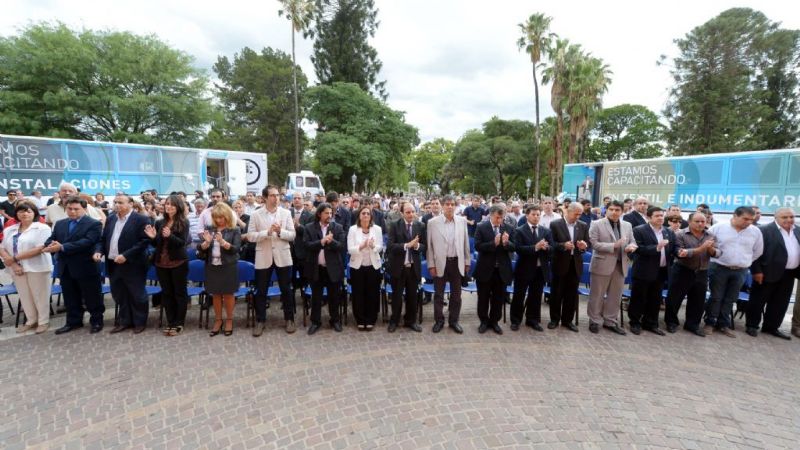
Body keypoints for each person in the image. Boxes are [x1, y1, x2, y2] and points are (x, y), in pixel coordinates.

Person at [43, 196, 105, 334]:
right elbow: (51, 239)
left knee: (92, 297)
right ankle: (74, 322)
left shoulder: (94, 224)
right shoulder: (60, 223)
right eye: (69, 209)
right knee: (70, 297)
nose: (72, 212)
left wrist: (62, 247)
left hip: (85, 266)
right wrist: (50, 245)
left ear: (84, 208)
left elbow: (88, 241)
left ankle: (96, 321)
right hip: (65, 267)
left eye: (76, 209)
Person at [95, 194, 151, 334]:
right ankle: (125, 321)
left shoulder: (141, 219)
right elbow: (103, 239)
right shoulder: (112, 218)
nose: (117, 205)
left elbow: (144, 242)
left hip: (133, 264)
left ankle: (139, 322)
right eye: (115, 202)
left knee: (137, 294)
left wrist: (126, 255)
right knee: (120, 294)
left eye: (120, 202)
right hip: (113, 263)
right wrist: (99, 251)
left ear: (131, 204)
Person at [705, 206, 763, 337]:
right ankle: (710, 323)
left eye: (751, 220)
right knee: (716, 297)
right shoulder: (718, 228)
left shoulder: (755, 232)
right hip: (719, 268)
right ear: (735, 215)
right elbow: (708, 245)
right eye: (745, 219)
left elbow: (758, 251)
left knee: (730, 299)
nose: (748, 222)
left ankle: (723, 324)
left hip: (741, 271)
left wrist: (744, 261)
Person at [247, 185, 297, 336]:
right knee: (261, 291)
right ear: (265, 198)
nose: (276, 198)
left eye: (277, 195)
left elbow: (292, 235)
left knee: (286, 290)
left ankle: (289, 319)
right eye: (273, 195)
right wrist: (266, 232)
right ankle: (260, 321)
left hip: (283, 256)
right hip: (264, 256)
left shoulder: (286, 213)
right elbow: (250, 236)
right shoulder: (256, 215)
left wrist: (279, 231)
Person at [0, 201, 53, 333]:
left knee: (40, 295)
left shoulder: (42, 228)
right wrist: (13, 264)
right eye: (21, 211)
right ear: (16, 214)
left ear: (34, 213)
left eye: (28, 211)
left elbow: (41, 247)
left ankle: (43, 321)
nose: (24, 213)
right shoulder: (9, 229)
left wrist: (15, 258)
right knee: (25, 296)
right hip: (16, 269)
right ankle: (31, 320)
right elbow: (2, 247)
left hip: (37, 267)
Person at [746, 207, 799, 339]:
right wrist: (756, 271)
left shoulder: (798, 230)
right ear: (776, 218)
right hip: (766, 272)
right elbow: (754, 253)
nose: (789, 220)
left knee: (780, 303)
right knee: (758, 300)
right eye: (785, 217)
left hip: (790, 273)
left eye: (791, 217)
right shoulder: (764, 230)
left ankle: (771, 327)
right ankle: (752, 325)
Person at [143, 195, 190, 336]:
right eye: (167, 204)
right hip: (161, 263)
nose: (169, 207)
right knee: (167, 293)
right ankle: (170, 322)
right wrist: (152, 238)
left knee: (179, 293)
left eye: (172, 205)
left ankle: (179, 323)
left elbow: (182, 243)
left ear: (178, 207)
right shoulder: (160, 222)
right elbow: (157, 244)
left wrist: (170, 235)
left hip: (178, 262)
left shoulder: (183, 222)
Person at [587, 200, 636, 335]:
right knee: (597, 294)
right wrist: (613, 246)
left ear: (622, 211)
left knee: (615, 295)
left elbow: (632, 240)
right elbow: (595, 244)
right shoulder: (596, 223)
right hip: (602, 263)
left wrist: (632, 247)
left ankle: (610, 321)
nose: (614, 212)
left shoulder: (627, 225)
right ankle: (595, 320)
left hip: (621, 265)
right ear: (606, 210)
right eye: (612, 209)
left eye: (617, 210)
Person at [665, 212, 717, 337]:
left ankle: (692, 324)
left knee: (698, 300)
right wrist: (702, 248)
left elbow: (718, 253)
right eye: (697, 221)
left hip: (702, 271)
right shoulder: (680, 234)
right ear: (689, 222)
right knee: (675, 298)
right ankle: (671, 322)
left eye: (703, 222)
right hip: (683, 270)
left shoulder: (710, 235)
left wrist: (711, 250)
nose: (700, 224)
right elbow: (681, 253)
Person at [426, 195, 471, 334]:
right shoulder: (432, 223)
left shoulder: (462, 221)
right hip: (440, 263)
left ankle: (454, 321)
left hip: (457, 262)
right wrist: (431, 265)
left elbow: (465, 243)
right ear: (442, 206)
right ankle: (439, 321)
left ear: (455, 206)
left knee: (456, 295)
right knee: (439, 294)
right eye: (447, 204)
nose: (450, 207)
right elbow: (429, 246)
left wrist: (467, 261)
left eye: (452, 204)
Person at [197, 203, 241, 337]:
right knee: (215, 294)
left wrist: (223, 242)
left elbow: (236, 249)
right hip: (212, 265)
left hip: (228, 265)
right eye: (216, 217)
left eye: (221, 217)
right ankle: (217, 320)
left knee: (228, 294)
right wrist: (206, 243)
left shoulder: (235, 229)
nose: (218, 220)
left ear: (227, 216)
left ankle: (229, 320)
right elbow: (200, 248)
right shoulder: (209, 229)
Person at [629, 206, 673, 336]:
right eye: (657, 216)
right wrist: (656, 248)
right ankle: (635, 323)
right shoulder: (639, 230)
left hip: (661, 271)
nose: (660, 218)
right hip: (644, 270)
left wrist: (679, 252)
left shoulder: (668, 232)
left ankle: (650, 323)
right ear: (649, 217)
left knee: (655, 299)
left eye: (662, 215)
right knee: (639, 298)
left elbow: (673, 247)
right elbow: (638, 249)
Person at [303, 203, 346, 335]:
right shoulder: (309, 228)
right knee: (316, 297)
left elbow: (341, 246)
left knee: (334, 296)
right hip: (316, 268)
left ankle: (335, 320)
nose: (329, 216)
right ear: (319, 214)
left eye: (330, 213)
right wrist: (322, 241)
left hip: (333, 268)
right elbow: (307, 245)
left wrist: (330, 241)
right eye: (326, 213)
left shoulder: (337, 227)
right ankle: (315, 322)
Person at [473, 205, 515, 335]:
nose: (499, 220)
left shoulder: (509, 228)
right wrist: (494, 244)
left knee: (498, 298)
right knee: (483, 297)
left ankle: (494, 321)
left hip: (501, 270)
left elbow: (515, 247)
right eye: (497, 217)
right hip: (485, 269)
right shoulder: (481, 227)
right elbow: (477, 246)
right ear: (491, 215)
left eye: (502, 218)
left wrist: (507, 243)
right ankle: (484, 321)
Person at [510, 205, 552, 332]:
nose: (536, 217)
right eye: (533, 214)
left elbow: (553, 249)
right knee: (519, 295)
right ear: (527, 215)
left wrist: (547, 248)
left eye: (538, 214)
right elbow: (518, 249)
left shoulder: (546, 231)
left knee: (536, 295)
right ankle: (515, 320)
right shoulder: (519, 230)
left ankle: (532, 320)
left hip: (540, 269)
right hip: (524, 269)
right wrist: (535, 247)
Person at [548, 203, 590, 331]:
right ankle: (554, 319)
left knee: (571, 294)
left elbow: (587, 243)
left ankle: (567, 321)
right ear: (568, 211)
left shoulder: (582, 225)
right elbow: (551, 244)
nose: (578, 216)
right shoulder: (555, 224)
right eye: (576, 213)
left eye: (580, 214)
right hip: (560, 263)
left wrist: (584, 246)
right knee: (557, 293)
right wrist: (563, 246)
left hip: (575, 264)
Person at [386, 201, 425, 333]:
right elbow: (390, 246)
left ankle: (410, 321)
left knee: (412, 296)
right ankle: (394, 321)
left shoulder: (420, 226)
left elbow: (424, 247)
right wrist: (407, 245)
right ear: (402, 213)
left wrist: (416, 246)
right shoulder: (394, 225)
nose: (411, 214)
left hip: (413, 268)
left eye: (413, 211)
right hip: (398, 267)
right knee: (396, 297)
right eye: (408, 212)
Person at [347, 205, 384, 330]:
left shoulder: (377, 229)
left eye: (368, 214)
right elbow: (350, 249)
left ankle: (371, 319)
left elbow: (380, 247)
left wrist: (373, 246)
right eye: (363, 213)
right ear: (359, 215)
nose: (366, 216)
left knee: (372, 293)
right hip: (357, 266)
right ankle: (360, 319)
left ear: (371, 216)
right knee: (358, 293)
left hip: (373, 265)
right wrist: (361, 246)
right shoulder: (353, 229)